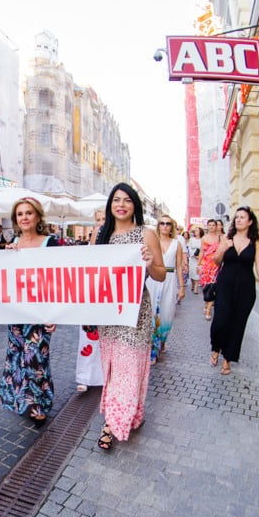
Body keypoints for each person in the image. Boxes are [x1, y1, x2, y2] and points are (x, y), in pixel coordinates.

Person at [95, 183, 166, 451]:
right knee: (113, 369)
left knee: (128, 368)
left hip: (135, 312)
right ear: (110, 205)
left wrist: (150, 264)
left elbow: (161, 274)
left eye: (127, 200)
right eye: (116, 200)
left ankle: (111, 424)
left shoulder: (146, 235)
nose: (121, 204)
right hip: (107, 313)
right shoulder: (101, 234)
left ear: (135, 205)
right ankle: (132, 413)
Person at [0, 197, 58, 422]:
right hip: (16, 311)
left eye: (29, 213)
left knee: (36, 359)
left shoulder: (50, 243)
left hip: (41, 312)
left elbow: (58, 282)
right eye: (20, 214)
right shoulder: (13, 243)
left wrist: (56, 314)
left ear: (38, 216)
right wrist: (6, 255)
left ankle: (40, 405)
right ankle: (22, 401)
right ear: (16, 219)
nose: (24, 217)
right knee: (16, 357)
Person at [210, 207, 259, 376]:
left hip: (245, 289)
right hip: (225, 286)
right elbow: (216, 261)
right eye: (236, 217)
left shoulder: (255, 242)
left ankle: (227, 359)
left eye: (242, 217)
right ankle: (216, 347)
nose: (238, 220)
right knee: (220, 321)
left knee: (237, 325)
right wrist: (224, 248)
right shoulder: (226, 238)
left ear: (250, 221)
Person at [74, 210, 106, 393]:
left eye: (104, 219)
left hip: (108, 296)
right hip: (90, 296)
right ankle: (85, 377)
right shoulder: (91, 243)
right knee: (87, 338)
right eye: (97, 220)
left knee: (105, 339)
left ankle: (103, 375)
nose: (101, 223)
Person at [147, 214, 185, 364]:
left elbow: (179, 266)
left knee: (166, 315)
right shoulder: (152, 241)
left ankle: (162, 340)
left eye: (168, 224)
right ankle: (153, 351)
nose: (165, 226)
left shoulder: (177, 244)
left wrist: (181, 287)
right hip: (153, 279)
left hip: (169, 280)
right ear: (158, 226)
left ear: (172, 227)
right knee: (151, 314)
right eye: (162, 223)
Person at [200, 221, 223, 320]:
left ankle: (209, 310)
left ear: (216, 226)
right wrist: (198, 265)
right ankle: (206, 303)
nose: (211, 227)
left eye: (213, 225)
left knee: (213, 286)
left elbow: (222, 251)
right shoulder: (204, 238)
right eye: (209, 225)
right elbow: (201, 251)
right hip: (205, 265)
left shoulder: (220, 238)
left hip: (216, 266)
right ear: (207, 226)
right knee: (205, 286)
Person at [187, 226, 204, 294]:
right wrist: (193, 255)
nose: (196, 231)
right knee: (192, 272)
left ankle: (196, 287)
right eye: (195, 230)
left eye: (197, 230)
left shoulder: (202, 239)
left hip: (199, 258)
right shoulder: (191, 239)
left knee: (197, 272)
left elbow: (203, 249)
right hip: (192, 258)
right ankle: (193, 284)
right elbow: (189, 248)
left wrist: (199, 256)